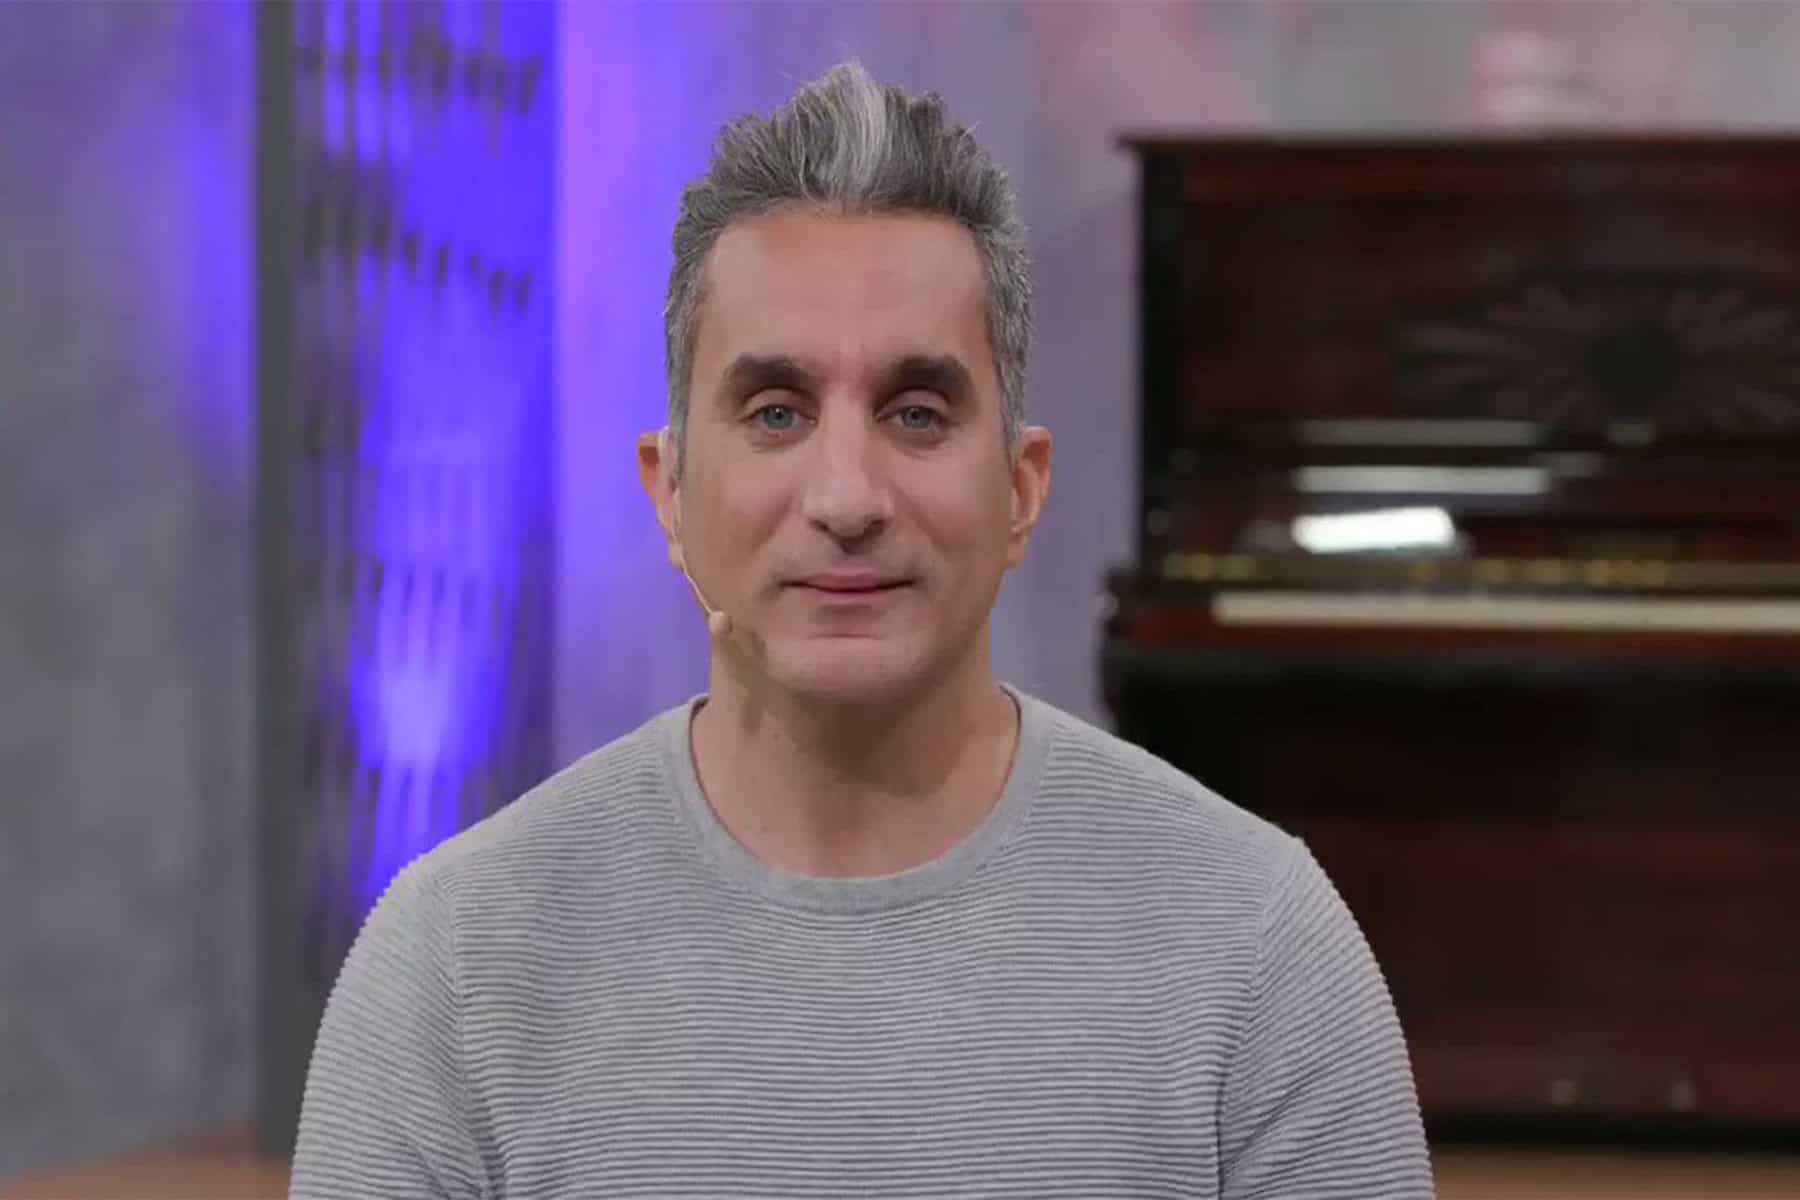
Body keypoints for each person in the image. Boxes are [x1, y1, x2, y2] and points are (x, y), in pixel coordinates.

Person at [289, 61, 1433, 1199]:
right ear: (670, 491)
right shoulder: (454, 964)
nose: (847, 497)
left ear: (1021, 489)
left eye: (918, 413)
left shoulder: (1254, 943)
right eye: (776, 412)